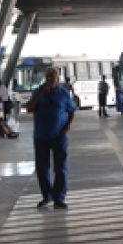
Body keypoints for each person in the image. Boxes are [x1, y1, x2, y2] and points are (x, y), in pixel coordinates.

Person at [27, 66, 76, 209]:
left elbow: (71, 110)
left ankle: (59, 198)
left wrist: (68, 125)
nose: (49, 80)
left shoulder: (64, 93)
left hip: (59, 135)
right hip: (41, 136)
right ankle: (46, 195)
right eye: (47, 77)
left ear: (58, 79)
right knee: (42, 168)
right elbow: (29, 108)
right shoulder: (38, 92)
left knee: (60, 168)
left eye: (52, 77)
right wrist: (39, 93)